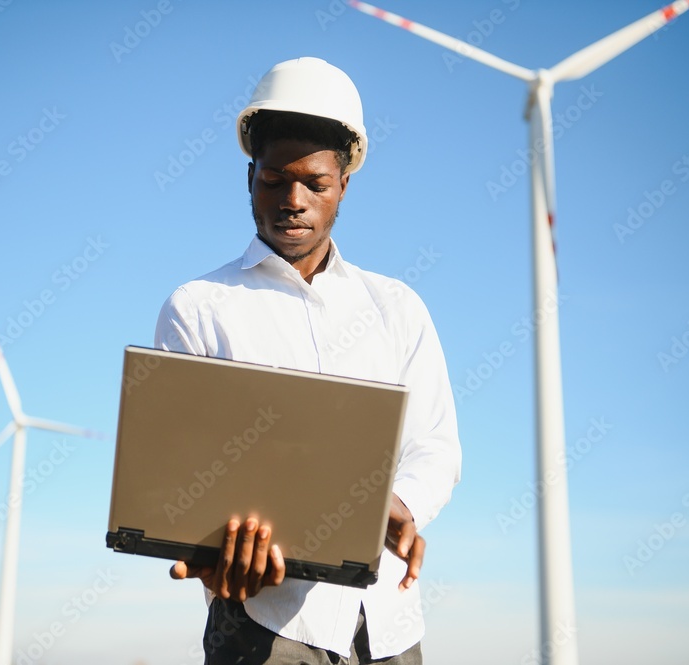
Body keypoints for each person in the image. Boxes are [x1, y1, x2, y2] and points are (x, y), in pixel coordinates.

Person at [154, 57, 461, 664]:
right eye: (274, 180)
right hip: (264, 625)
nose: (293, 201)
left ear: (343, 185)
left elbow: (435, 443)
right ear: (249, 179)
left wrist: (399, 506)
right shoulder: (199, 307)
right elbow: (178, 472)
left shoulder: (397, 307)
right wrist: (217, 553)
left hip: (389, 627)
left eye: (315, 184)